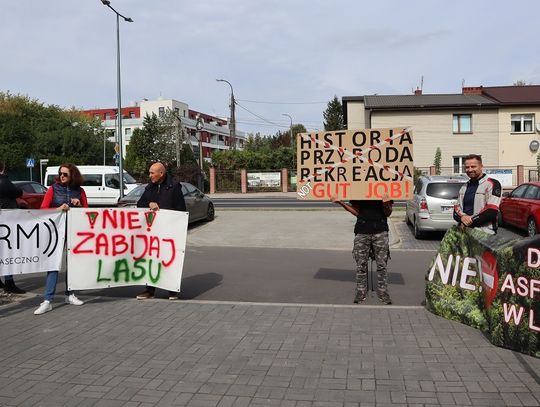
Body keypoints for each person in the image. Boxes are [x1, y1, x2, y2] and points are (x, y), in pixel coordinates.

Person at [34, 163, 88, 315]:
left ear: (73, 176)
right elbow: (43, 209)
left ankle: (70, 294)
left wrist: (79, 205)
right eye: (60, 173)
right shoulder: (53, 188)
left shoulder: (80, 191)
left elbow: (87, 212)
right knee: (53, 264)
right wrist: (58, 209)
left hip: (73, 231)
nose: (62, 176)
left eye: (65, 174)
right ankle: (48, 300)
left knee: (72, 263)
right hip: (55, 231)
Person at [135, 162, 187, 300]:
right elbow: (140, 204)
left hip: (169, 232)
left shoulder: (174, 187)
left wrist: (163, 211)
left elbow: (181, 210)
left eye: (152, 173)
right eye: (150, 172)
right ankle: (149, 290)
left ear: (161, 173)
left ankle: (172, 290)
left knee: (168, 260)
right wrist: (149, 204)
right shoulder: (150, 187)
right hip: (152, 233)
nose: (150, 175)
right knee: (151, 260)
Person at [331, 193, 393, 304]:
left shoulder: (385, 188)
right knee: (361, 265)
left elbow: (388, 213)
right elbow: (356, 212)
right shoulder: (359, 189)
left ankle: (383, 292)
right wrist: (340, 202)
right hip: (362, 231)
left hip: (380, 231)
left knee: (382, 265)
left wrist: (386, 204)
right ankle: (360, 291)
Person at [453, 154, 501, 234]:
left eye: (473, 166)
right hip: (464, 233)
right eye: (467, 167)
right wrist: (462, 217)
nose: (470, 169)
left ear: (481, 166)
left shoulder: (492, 184)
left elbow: (491, 211)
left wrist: (470, 220)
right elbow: (456, 211)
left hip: (485, 234)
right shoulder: (464, 187)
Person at [0, 161, 26, 294]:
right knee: (8, 251)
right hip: (7, 221)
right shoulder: (3, 181)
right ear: (3, 168)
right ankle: (9, 282)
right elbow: (18, 192)